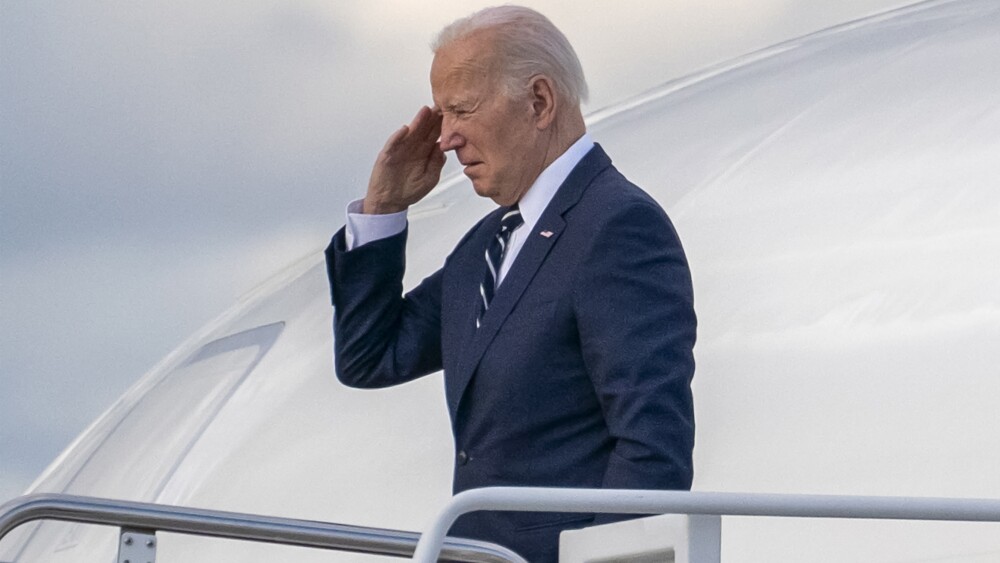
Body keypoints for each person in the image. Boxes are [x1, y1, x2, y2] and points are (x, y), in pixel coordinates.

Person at [325, 6, 696, 561]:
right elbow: (371, 357)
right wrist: (383, 209)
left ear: (539, 102)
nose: (445, 139)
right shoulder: (489, 243)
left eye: (462, 110)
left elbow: (652, 447)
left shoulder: (616, 225)